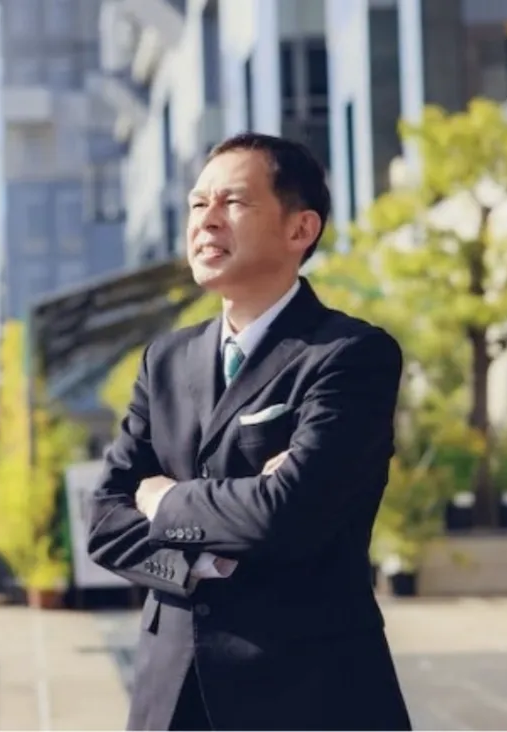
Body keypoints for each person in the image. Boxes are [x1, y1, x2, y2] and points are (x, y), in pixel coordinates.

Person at [87, 132, 412, 731]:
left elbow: (285, 514)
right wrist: (203, 564)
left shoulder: (349, 355)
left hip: (308, 695)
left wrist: (164, 501)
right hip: (170, 697)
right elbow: (105, 521)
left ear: (300, 229)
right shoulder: (165, 360)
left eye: (232, 202)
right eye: (197, 203)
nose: (206, 220)